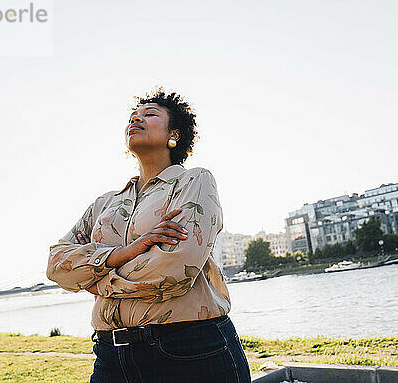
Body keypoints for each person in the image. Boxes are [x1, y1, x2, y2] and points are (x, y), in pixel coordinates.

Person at [46, 87, 251, 383]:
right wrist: (127, 252)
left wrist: (93, 277)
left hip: (191, 350)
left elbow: (176, 270)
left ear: (175, 135)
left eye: (150, 114)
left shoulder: (193, 181)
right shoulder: (103, 204)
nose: (136, 119)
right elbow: (56, 265)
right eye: (133, 115)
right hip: (110, 357)